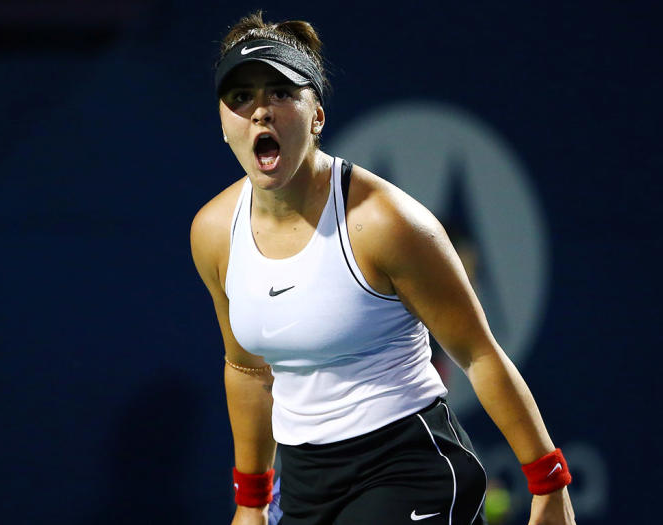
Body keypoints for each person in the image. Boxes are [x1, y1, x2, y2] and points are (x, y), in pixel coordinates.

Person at [190, 11, 577, 525]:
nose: (260, 111)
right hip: (305, 482)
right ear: (223, 123)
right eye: (240, 97)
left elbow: (478, 354)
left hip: (409, 466)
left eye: (280, 93)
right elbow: (246, 368)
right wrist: (252, 501)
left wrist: (550, 487)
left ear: (316, 116)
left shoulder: (386, 223)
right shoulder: (214, 233)